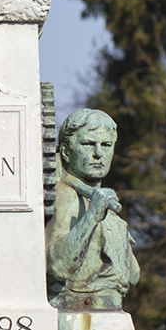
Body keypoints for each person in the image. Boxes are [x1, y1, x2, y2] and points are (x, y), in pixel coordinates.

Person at [47, 108, 139, 310]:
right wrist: (92, 217)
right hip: (77, 316)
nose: (98, 153)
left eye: (106, 145)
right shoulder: (67, 196)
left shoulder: (103, 201)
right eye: (88, 144)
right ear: (65, 152)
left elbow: (132, 274)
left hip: (110, 314)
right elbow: (57, 266)